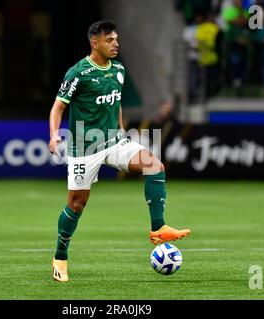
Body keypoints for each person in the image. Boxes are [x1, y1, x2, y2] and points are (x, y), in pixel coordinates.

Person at [48, 20, 191, 282]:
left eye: (117, 39)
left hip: (114, 141)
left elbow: (117, 101)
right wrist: (54, 134)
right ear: (95, 43)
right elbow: (58, 106)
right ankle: (60, 257)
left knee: (154, 165)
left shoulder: (119, 70)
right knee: (76, 205)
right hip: (85, 148)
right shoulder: (78, 73)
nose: (116, 44)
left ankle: (158, 228)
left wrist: (123, 131)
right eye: (110, 40)